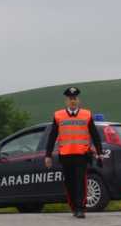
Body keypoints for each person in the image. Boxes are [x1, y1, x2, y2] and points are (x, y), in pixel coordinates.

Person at [44, 86, 103, 218]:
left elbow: (95, 135)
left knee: (80, 182)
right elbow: (52, 136)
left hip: (81, 155)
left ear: (78, 100)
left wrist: (99, 152)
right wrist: (48, 155)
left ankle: (81, 208)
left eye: (75, 98)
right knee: (69, 183)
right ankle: (74, 207)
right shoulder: (58, 115)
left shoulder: (86, 114)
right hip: (65, 155)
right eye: (70, 99)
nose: (73, 101)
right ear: (66, 101)